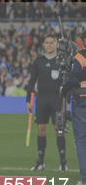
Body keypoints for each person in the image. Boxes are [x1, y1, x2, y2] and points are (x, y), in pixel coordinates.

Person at [26, 35, 67, 171]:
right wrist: (28, 100)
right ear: (44, 44)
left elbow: (66, 83)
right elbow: (31, 82)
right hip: (42, 99)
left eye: (52, 43)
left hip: (57, 100)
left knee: (59, 130)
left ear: (56, 45)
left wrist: (66, 101)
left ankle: (63, 162)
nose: (49, 45)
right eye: (47, 43)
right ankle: (40, 162)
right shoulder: (39, 61)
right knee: (41, 130)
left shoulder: (61, 62)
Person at [61, 32, 86, 185]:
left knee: (81, 141)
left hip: (82, 99)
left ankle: (85, 181)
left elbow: (75, 78)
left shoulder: (80, 56)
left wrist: (64, 86)